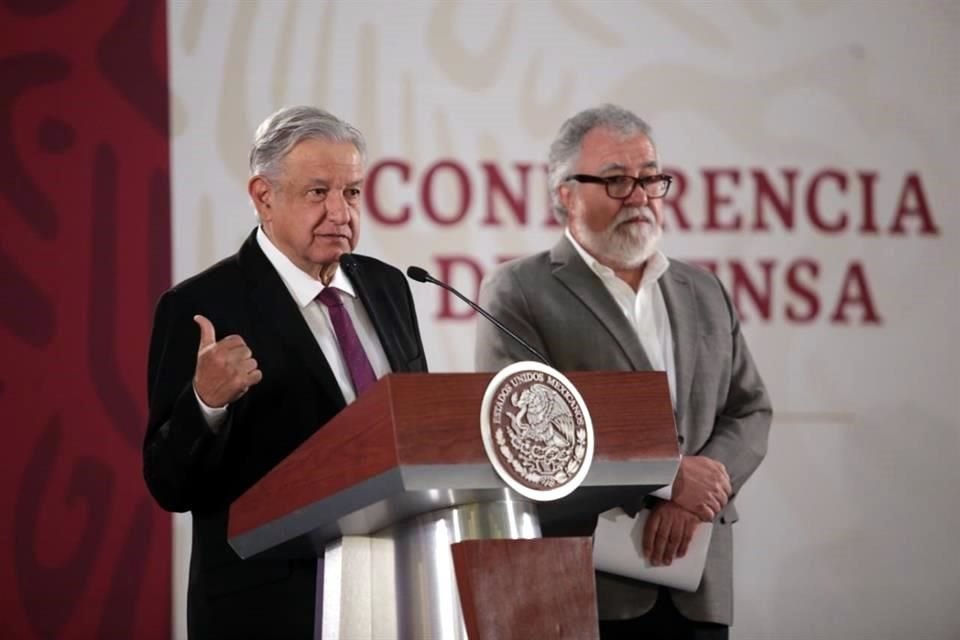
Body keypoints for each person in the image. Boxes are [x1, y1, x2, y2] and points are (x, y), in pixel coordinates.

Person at [475, 104, 772, 639]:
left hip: (697, 584)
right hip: (585, 587)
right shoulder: (519, 291)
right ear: (566, 194)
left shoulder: (702, 290)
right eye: (616, 181)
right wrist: (666, 478)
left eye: (650, 178)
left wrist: (700, 494)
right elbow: (525, 440)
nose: (639, 196)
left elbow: (750, 409)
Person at [143, 106, 428, 639]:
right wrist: (205, 403)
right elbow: (168, 484)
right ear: (263, 196)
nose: (341, 213)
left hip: (396, 593)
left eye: (352, 192)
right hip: (271, 608)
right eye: (318, 193)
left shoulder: (390, 287)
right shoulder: (201, 305)